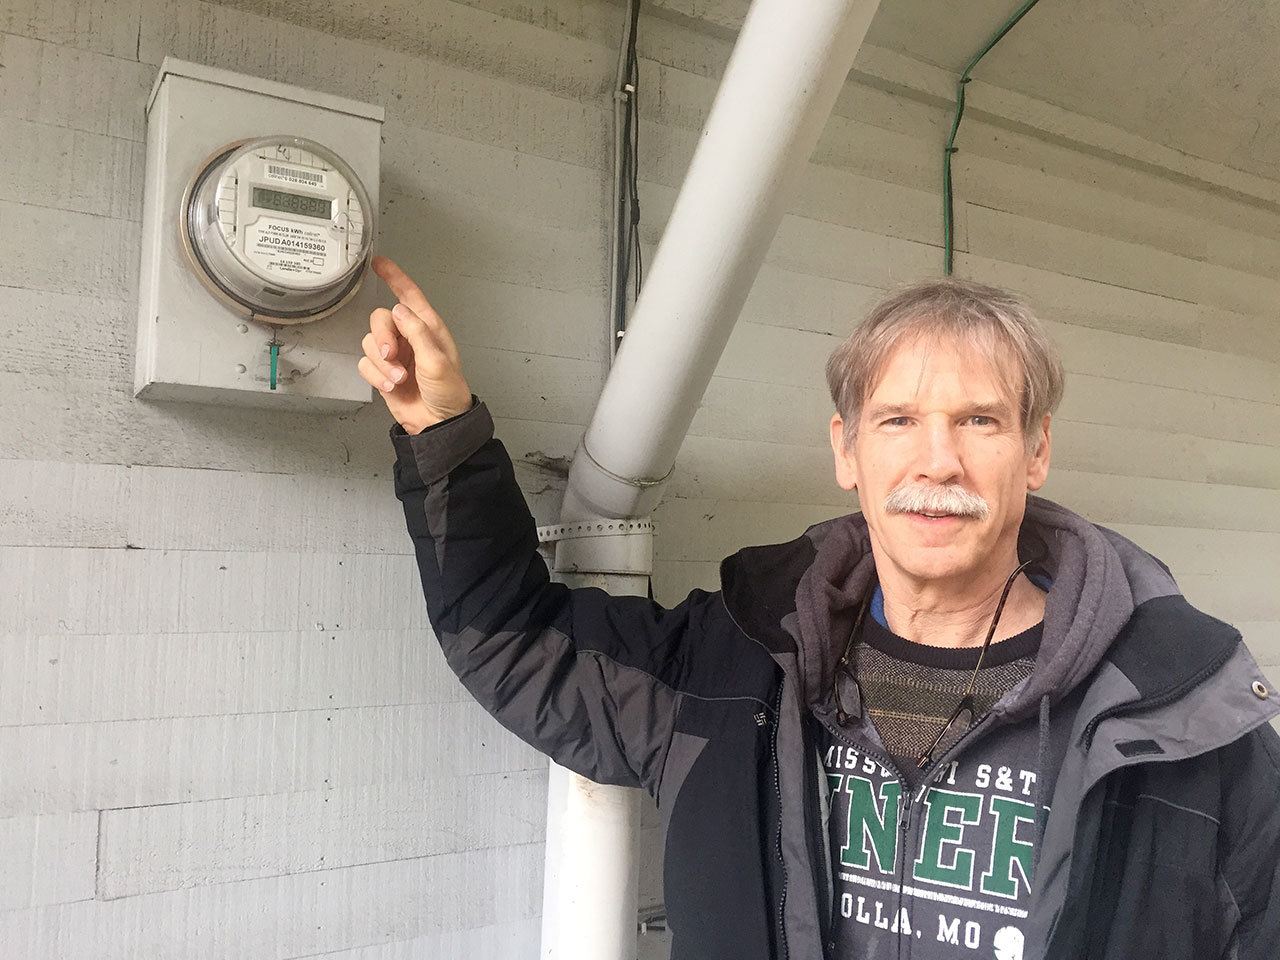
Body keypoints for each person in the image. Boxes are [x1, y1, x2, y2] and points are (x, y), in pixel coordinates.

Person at [357, 255, 1280, 960]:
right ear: (847, 451)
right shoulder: (734, 665)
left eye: (980, 421)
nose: (938, 463)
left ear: (1035, 452)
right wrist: (444, 433)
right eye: (897, 420)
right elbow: (518, 644)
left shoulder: (1187, 726)